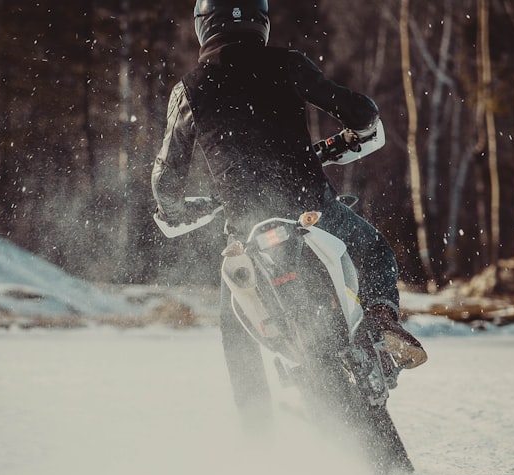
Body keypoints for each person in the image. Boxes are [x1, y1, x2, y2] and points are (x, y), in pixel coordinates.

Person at [151, 0, 426, 433]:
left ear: (203, 25)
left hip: (245, 232)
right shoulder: (287, 64)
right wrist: (353, 133)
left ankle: (258, 434)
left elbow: (165, 182)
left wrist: (176, 210)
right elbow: (362, 114)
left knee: (236, 333)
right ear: (260, 21)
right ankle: (380, 318)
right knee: (373, 248)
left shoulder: (188, 89)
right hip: (311, 212)